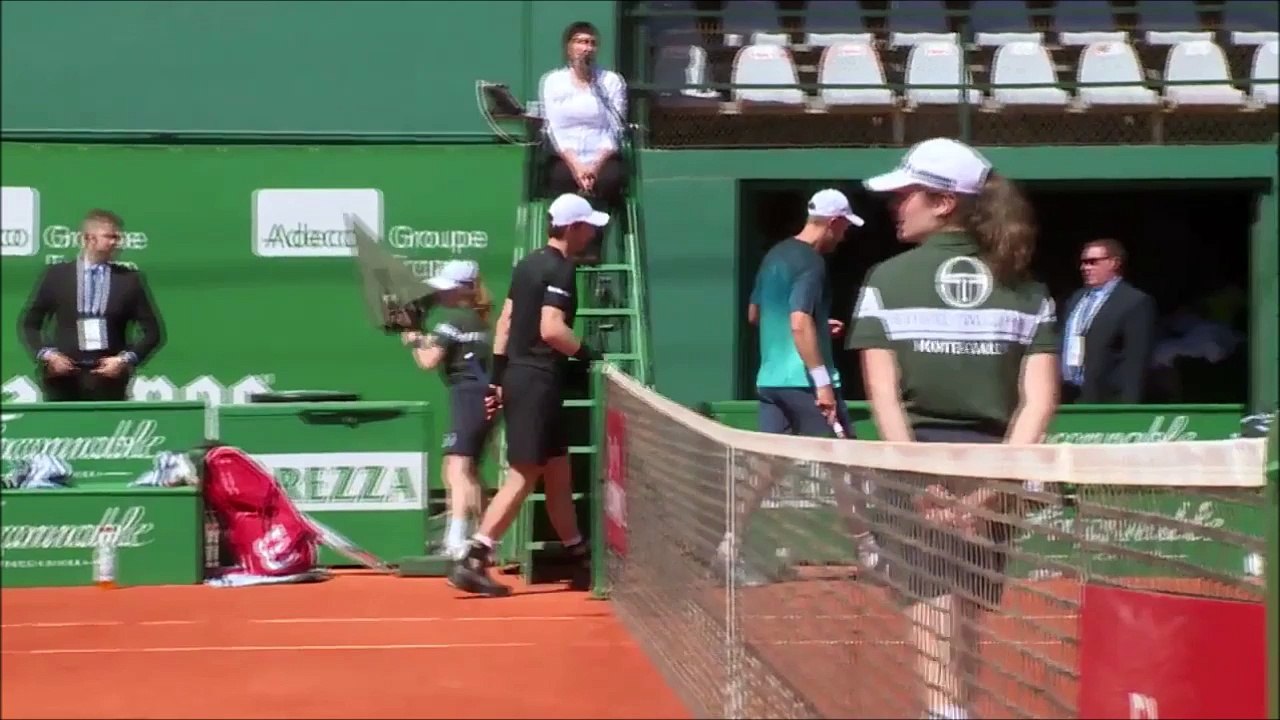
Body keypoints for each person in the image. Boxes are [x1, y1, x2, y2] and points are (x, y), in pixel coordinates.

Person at [847, 138, 1060, 720]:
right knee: (964, 608)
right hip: (998, 469)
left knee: (932, 604)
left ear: (943, 202)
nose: (896, 206)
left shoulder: (885, 281)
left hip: (918, 464)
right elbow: (1038, 404)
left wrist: (919, 481)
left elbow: (882, 396)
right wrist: (991, 493)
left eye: (905, 194)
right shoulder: (1030, 288)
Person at [448, 193, 607, 597]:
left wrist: (498, 380)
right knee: (525, 473)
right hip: (537, 382)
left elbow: (505, 322)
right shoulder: (561, 269)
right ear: (573, 228)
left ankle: (579, 557)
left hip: (523, 378)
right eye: (589, 226)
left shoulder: (527, 264)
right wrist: (592, 356)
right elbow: (551, 328)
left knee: (557, 472)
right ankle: (475, 556)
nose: (592, 233)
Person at [719, 189, 877, 585]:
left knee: (764, 470)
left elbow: (756, 315)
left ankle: (727, 550)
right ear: (835, 223)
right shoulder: (812, 263)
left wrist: (820, 327)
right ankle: (873, 557)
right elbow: (797, 321)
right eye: (843, 229)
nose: (842, 238)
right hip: (804, 384)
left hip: (771, 381)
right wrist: (821, 380)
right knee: (846, 465)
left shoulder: (775, 256)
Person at [399, 260, 496, 560]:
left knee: (456, 470)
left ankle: (456, 543)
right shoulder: (477, 321)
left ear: (464, 290)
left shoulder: (453, 322)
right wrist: (421, 338)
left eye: (448, 288)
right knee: (468, 471)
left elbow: (427, 361)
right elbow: (441, 348)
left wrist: (413, 338)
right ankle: (487, 540)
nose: (441, 294)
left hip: (468, 396)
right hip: (484, 397)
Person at [19, 208, 164, 402]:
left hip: (108, 378)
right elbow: (29, 324)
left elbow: (153, 332)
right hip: (63, 377)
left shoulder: (129, 280)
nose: (115, 242)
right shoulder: (57, 275)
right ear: (88, 238)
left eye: (117, 237)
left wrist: (123, 360)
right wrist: (49, 356)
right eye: (109, 236)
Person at [538, 21, 627, 264]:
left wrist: (595, 166)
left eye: (591, 43)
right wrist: (576, 166)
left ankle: (592, 247)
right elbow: (553, 128)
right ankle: (562, 249)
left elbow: (615, 128)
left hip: (601, 155)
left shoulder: (610, 82)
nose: (586, 48)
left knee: (609, 179)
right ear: (569, 48)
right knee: (559, 178)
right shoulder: (553, 81)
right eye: (580, 42)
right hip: (567, 156)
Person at [1060, 238, 1157, 404]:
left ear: (1114, 263)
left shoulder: (1134, 301)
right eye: (1083, 262)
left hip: (1107, 398)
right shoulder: (1076, 298)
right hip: (1071, 394)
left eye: (1092, 262)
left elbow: (1136, 360)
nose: (1085, 268)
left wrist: (1128, 407)